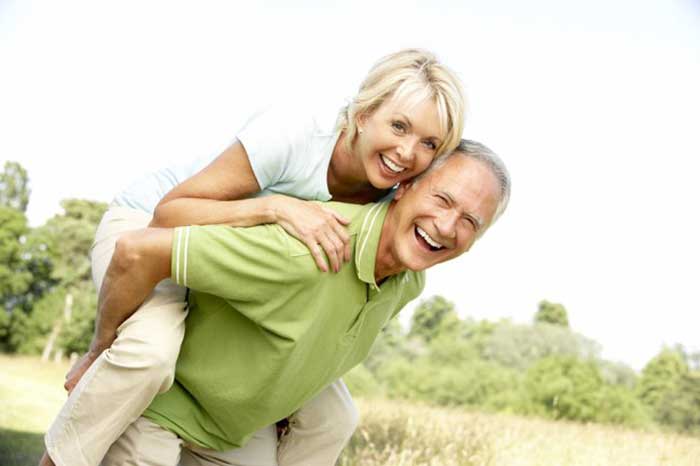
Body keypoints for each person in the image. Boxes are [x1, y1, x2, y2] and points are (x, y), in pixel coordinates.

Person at [41, 49, 466, 466]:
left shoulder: (394, 194)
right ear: (363, 113)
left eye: (428, 143)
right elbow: (169, 215)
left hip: (220, 261)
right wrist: (275, 207)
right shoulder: (294, 135)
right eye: (398, 126)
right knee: (149, 353)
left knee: (333, 416)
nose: (408, 153)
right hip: (152, 223)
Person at [94, 140, 511, 465]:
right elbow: (140, 249)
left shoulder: (408, 278)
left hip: (224, 424)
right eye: (443, 200)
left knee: (334, 417)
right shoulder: (308, 237)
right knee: (147, 353)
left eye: (471, 221)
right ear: (404, 186)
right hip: (149, 212)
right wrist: (100, 346)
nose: (447, 226)